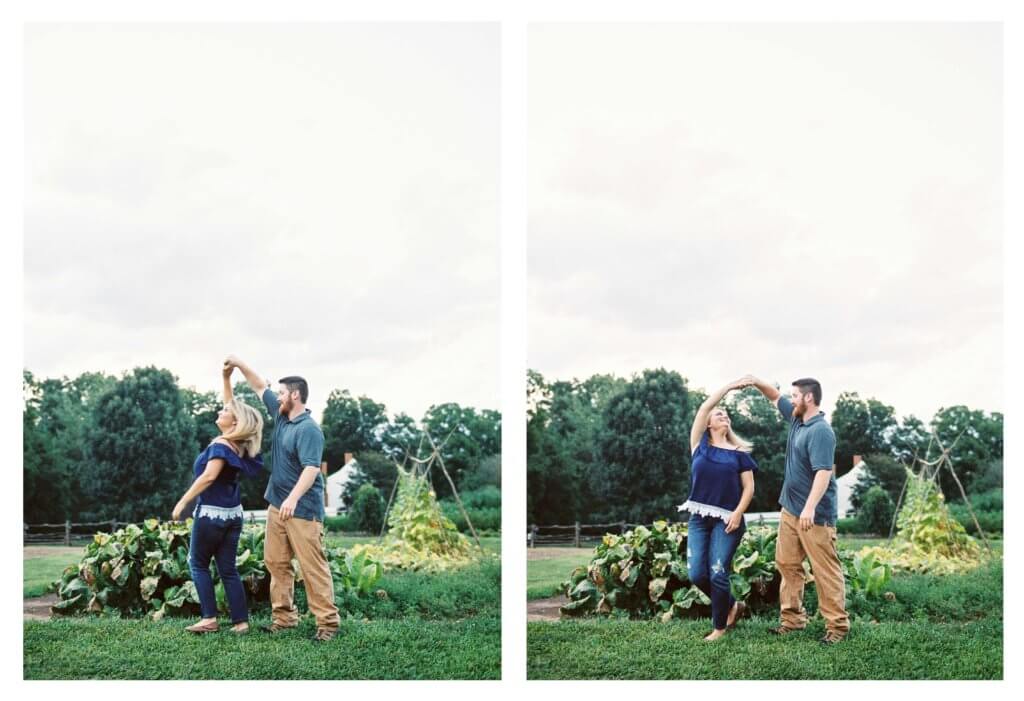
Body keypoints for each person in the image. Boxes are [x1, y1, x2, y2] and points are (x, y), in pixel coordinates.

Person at [224, 355, 340, 643]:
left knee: (312, 567)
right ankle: (284, 618)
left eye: (281, 393)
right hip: (278, 505)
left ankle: (328, 623)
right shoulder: (281, 415)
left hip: (303, 510)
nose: (277, 397)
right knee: (276, 562)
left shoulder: (309, 429)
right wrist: (237, 364)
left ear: (295, 395)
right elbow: (258, 384)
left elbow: (312, 468)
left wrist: (292, 499)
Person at [744, 374, 850, 645]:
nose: (791, 400)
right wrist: (754, 381)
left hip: (814, 515)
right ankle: (792, 621)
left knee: (825, 569)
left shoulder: (821, 431)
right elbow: (774, 396)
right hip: (790, 509)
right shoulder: (797, 419)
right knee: (787, 564)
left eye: (795, 396)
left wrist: (810, 508)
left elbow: (824, 472)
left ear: (808, 398)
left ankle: (837, 627)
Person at [173, 363, 265, 635]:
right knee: (228, 569)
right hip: (233, 514)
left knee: (198, 563)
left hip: (211, 513)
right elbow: (232, 407)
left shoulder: (219, 445)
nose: (220, 410)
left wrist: (183, 502)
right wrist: (225, 378)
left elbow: (208, 477)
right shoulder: (241, 445)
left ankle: (209, 619)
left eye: (224, 412)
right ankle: (240, 622)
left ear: (234, 422)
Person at [678, 377, 757, 641]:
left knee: (718, 572)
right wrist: (729, 388)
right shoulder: (698, 447)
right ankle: (732, 605)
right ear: (709, 424)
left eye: (726, 414)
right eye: (719, 414)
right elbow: (704, 407)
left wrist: (737, 513)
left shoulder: (739, 453)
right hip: (699, 519)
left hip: (728, 521)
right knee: (697, 574)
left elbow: (749, 489)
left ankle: (719, 628)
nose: (723, 415)